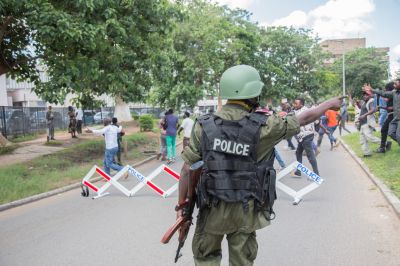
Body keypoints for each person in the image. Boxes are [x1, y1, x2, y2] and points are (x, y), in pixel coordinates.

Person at [175, 65, 344, 265]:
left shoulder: (204, 125)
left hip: (212, 208)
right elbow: (304, 117)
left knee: (206, 258)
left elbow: (187, 170)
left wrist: (182, 206)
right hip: (246, 209)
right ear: (253, 94)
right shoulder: (266, 126)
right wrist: (329, 103)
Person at [365, 80, 400, 146]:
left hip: (395, 116)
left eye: (396, 84)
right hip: (395, 117)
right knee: (390, 133)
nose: (394, 85)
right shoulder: (394, 93)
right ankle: (385, 145)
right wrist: (372, 89)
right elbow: (383, 93)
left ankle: (383, 146)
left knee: (398, 135)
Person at [292, 97, 320, 176]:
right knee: (298, 153)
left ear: (301, 104)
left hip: (306, 135)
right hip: (302, 136)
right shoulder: (300, 110)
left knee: (310, 155)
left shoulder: (304, 111)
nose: (294, 105)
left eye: (296, 103)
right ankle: (298, 171)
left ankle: (316, 174)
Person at [358, 90, 380, 157]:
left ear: (370, 95)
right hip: (362, 123)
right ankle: (367, 153)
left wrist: (364, 115)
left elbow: (372, 109)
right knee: (362, 140)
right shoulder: (365, 102)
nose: (365, 96)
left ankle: (385, 143)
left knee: (369, 137)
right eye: (364, 95)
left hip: (367, 123)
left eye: (366, 95)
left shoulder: (371, 101)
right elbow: (362, 109)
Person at [375, 82, 395, 153]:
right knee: (386, 130)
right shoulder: (392, 95)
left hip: (393, 116)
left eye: (386, 89)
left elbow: (391, 108)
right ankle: (383, 147)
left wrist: (381, 107)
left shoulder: (394, 94)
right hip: (391, 115)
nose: (385, 91)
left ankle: (383, 147)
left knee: (387, 131)